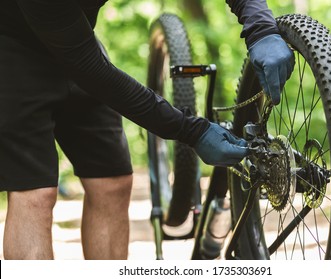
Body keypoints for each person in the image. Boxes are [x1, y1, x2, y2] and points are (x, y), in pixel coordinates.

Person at [0, 0, 294, 259]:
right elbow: (93, 71)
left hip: (75, 40)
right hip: (14, 51)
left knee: (112, 181)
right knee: (35, 194)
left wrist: (261, 29)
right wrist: (192, 131)